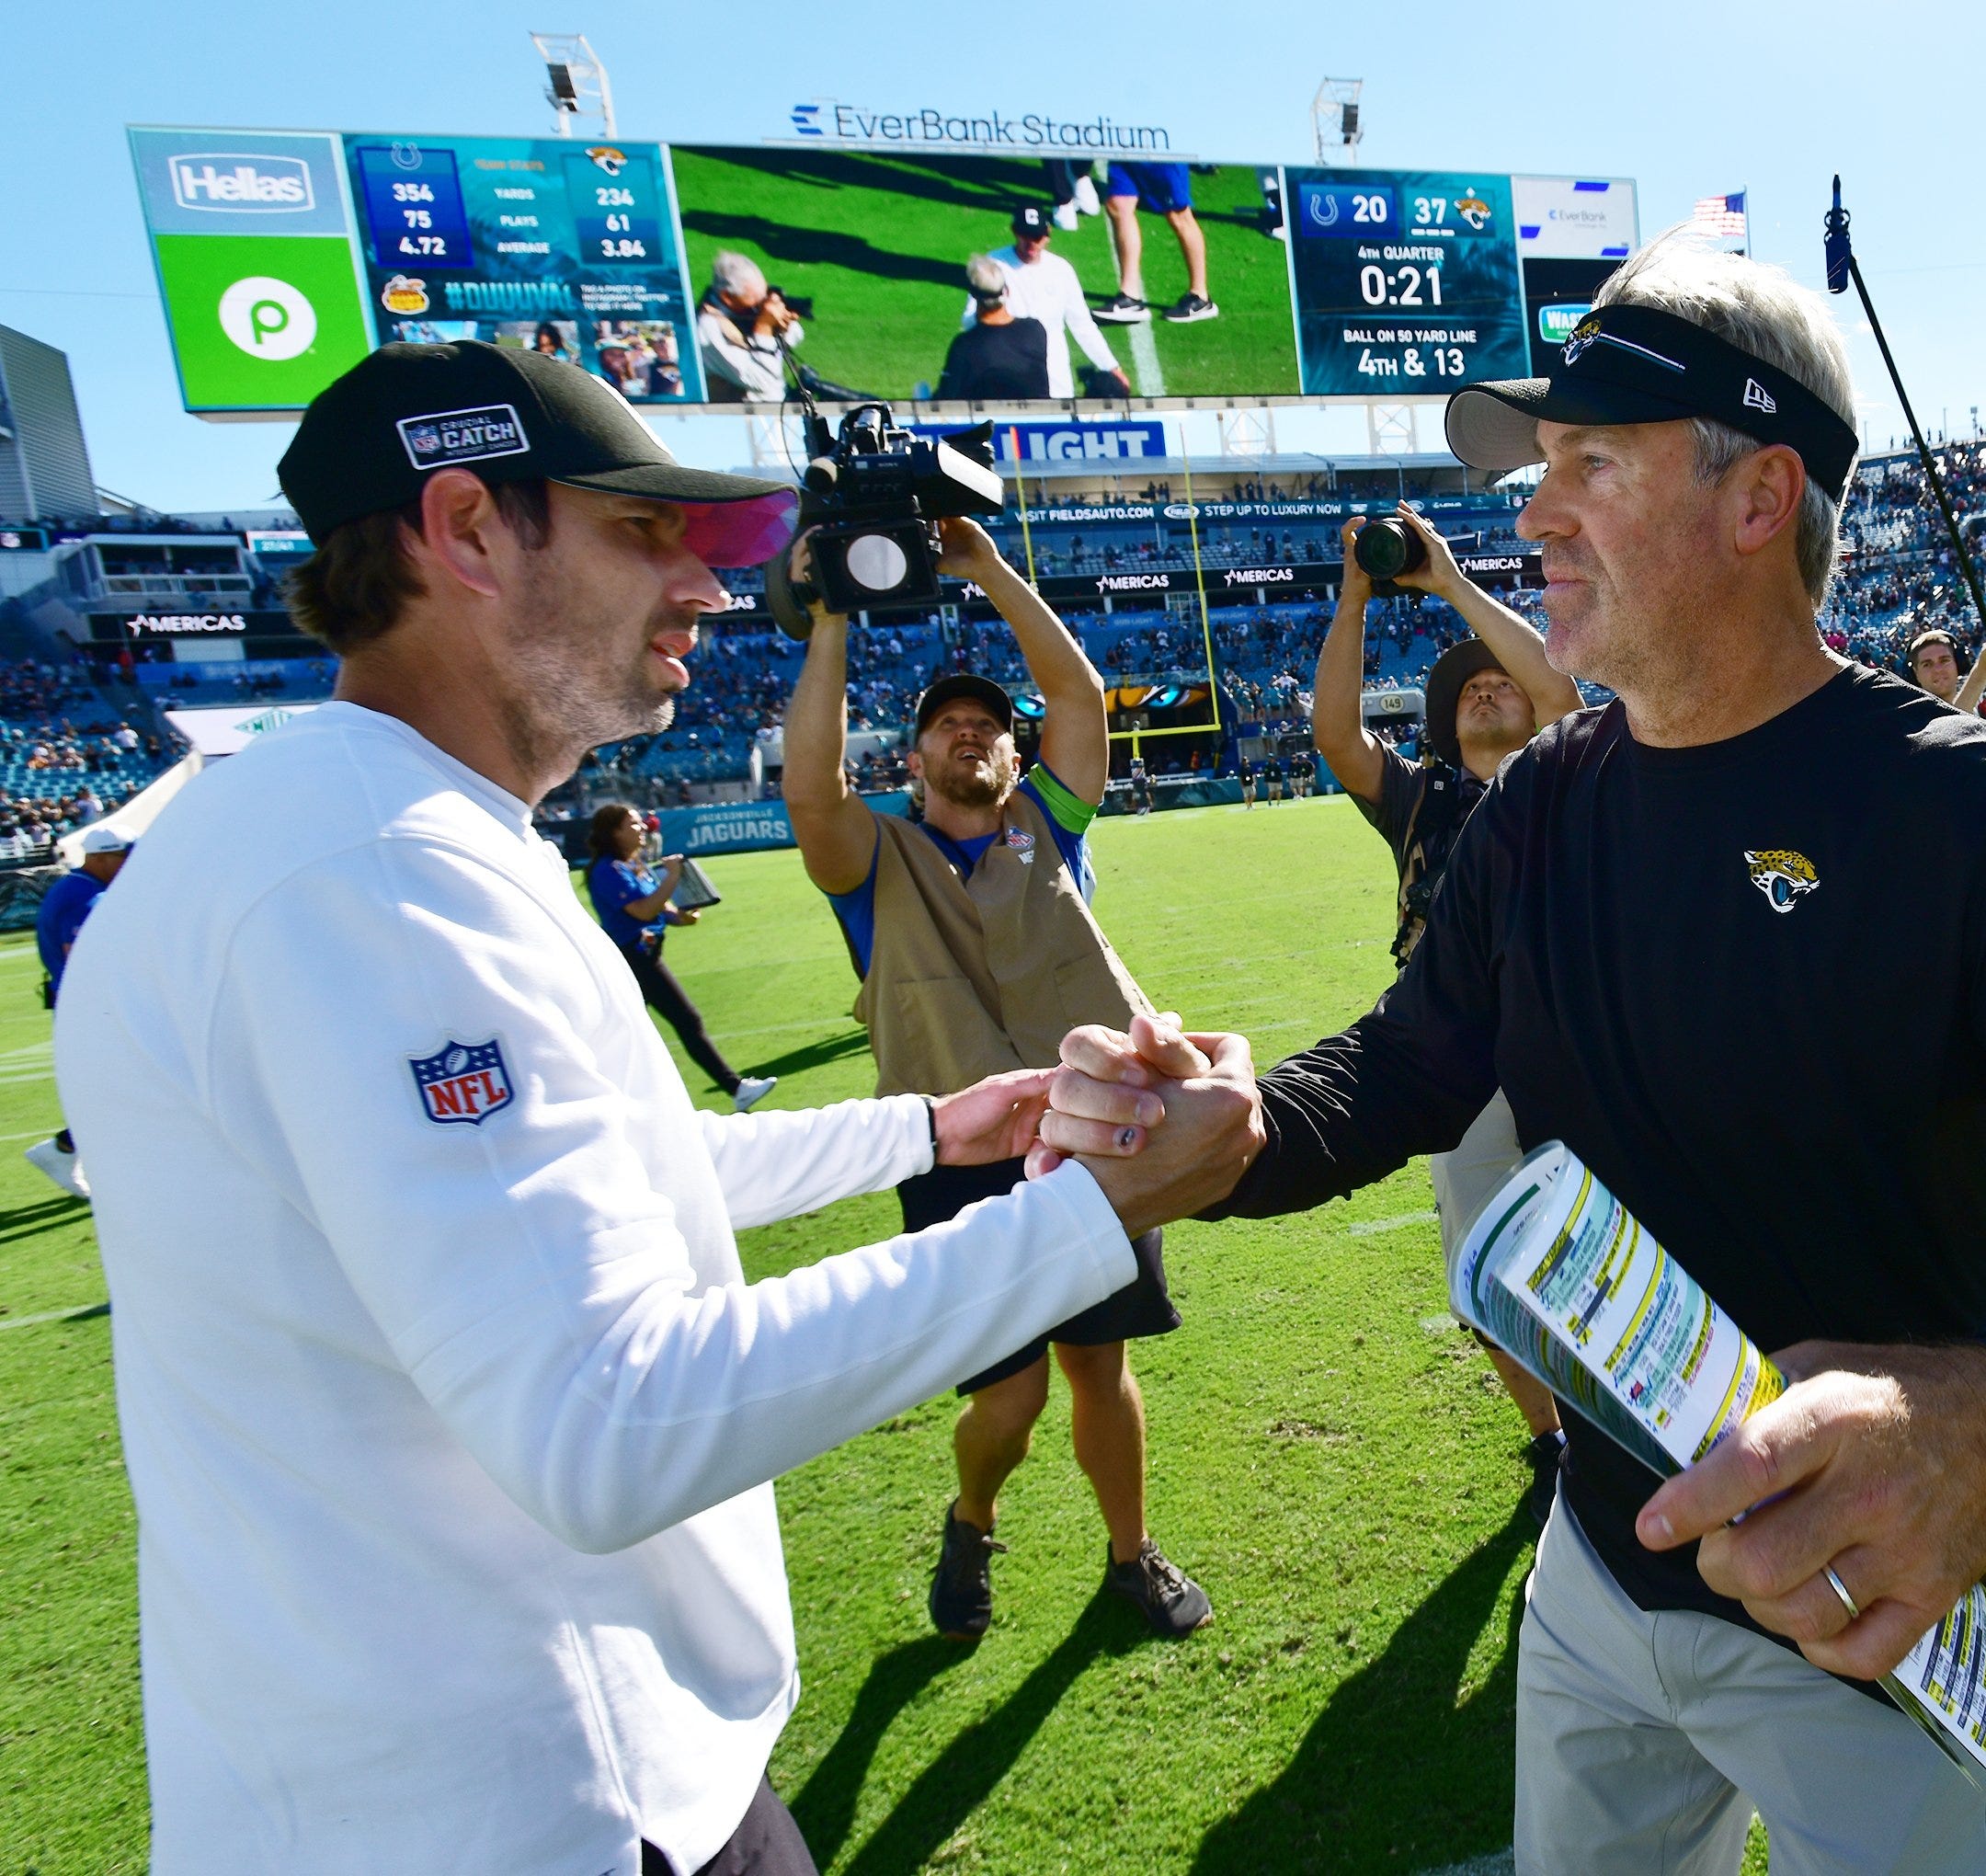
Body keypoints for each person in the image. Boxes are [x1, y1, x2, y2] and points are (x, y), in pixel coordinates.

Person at [1045, 244, 1986, 1875]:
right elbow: (1403, 1066)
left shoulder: (1966, 815)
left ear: (1759, 500)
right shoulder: (1540, 806)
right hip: (1599, 1571)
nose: (1535, 515)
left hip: (1872, 1615)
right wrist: (1230, 1129)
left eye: (1591, 464)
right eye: (1543, 470)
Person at [53, 338, 1261, 1873]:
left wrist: (936, 1127)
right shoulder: (384, 875)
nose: (700, 584)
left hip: (470, 1770)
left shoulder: (357, 831)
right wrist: (1095, 1211)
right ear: (470, 531)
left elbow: (576, 1179)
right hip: (528, 1795)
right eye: (645, 530)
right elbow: (606, 1420)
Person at [780, 515, 1209, 1643]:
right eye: (946, 727)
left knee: (1100, 1368)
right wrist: (831, 615)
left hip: (1091, 1131)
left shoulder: (1049, 830)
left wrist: (986, 568)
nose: (972, 735)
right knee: (1007, 1397)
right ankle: (971, 1519)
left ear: (1014, 760)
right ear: (911, 760)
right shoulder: (871, 863)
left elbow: (1074, 697)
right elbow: (811, 790)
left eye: (989, 727)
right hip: (960, 1153)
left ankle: (1132, 1557)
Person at [1312, 503, 1586, 1473]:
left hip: (1575, 1034)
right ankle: (1551, 1441)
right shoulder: (1420, 795)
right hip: (1457, 1046)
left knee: (1609, 1240)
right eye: (1465, 688)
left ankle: (1619, 1422)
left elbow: (1564, 691)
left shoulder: (1570, 774)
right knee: (1489, 1264)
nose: (1482, 691)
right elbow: (1338, 735)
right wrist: (1354, 596)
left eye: (1496, 681)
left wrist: (1449, 582)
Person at [584, 802, 775, 1114]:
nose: (643, 827)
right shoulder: (608, 871)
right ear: (614, 831)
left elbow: (659, 909)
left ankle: (618, 1105)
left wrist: (682, 916)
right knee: (685, 1020)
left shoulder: (633, 864)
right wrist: (672, 877)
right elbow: (643, 910)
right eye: (633, 823)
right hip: (632, 959)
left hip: (645, 954)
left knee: (627, 1034)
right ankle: (736, 1088)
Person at [25, 823, 129, 1199]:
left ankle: (68, 1150)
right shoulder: (84, 897)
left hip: (84, 1007)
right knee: (118, 1087)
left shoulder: (80, 890)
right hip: (90, 1008)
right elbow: (83, 959)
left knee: (117, 1087)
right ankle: (64, 1149)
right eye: (122, 857)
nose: (128, 865)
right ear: (100, 858)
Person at [963, 206, 1129, 401]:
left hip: (1054, 373)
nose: (1031, 243)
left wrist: (1110, 366)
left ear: (1048, 235)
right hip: (1005, 370)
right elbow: (970, 319)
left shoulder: (1061, 270)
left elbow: (1082, 325)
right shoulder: (994, 266)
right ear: (1015, 231)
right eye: (1026, 235)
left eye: (1037, 237)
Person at [1097, 161, 1216, 325]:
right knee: (1118, 204)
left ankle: (1200, 296)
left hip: (1161, 149)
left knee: (1178, 215)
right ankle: (1130, 296)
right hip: (1127, 143)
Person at [934, 255, 1052, 405]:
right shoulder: (1035, 331)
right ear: (1006, 291)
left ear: (973, 295)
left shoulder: (964, 345)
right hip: (1037, 419)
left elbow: (946, 399)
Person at [693, 250, 799, 404]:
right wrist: (764, 328)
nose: (762, 305)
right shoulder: (707, 327)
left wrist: (783, 324)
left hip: (779, 409)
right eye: (756, 300)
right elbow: (763, 381)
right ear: (727, 297)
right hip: (743, 417)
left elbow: (796, 335)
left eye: (764, 296)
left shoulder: (744, 310)